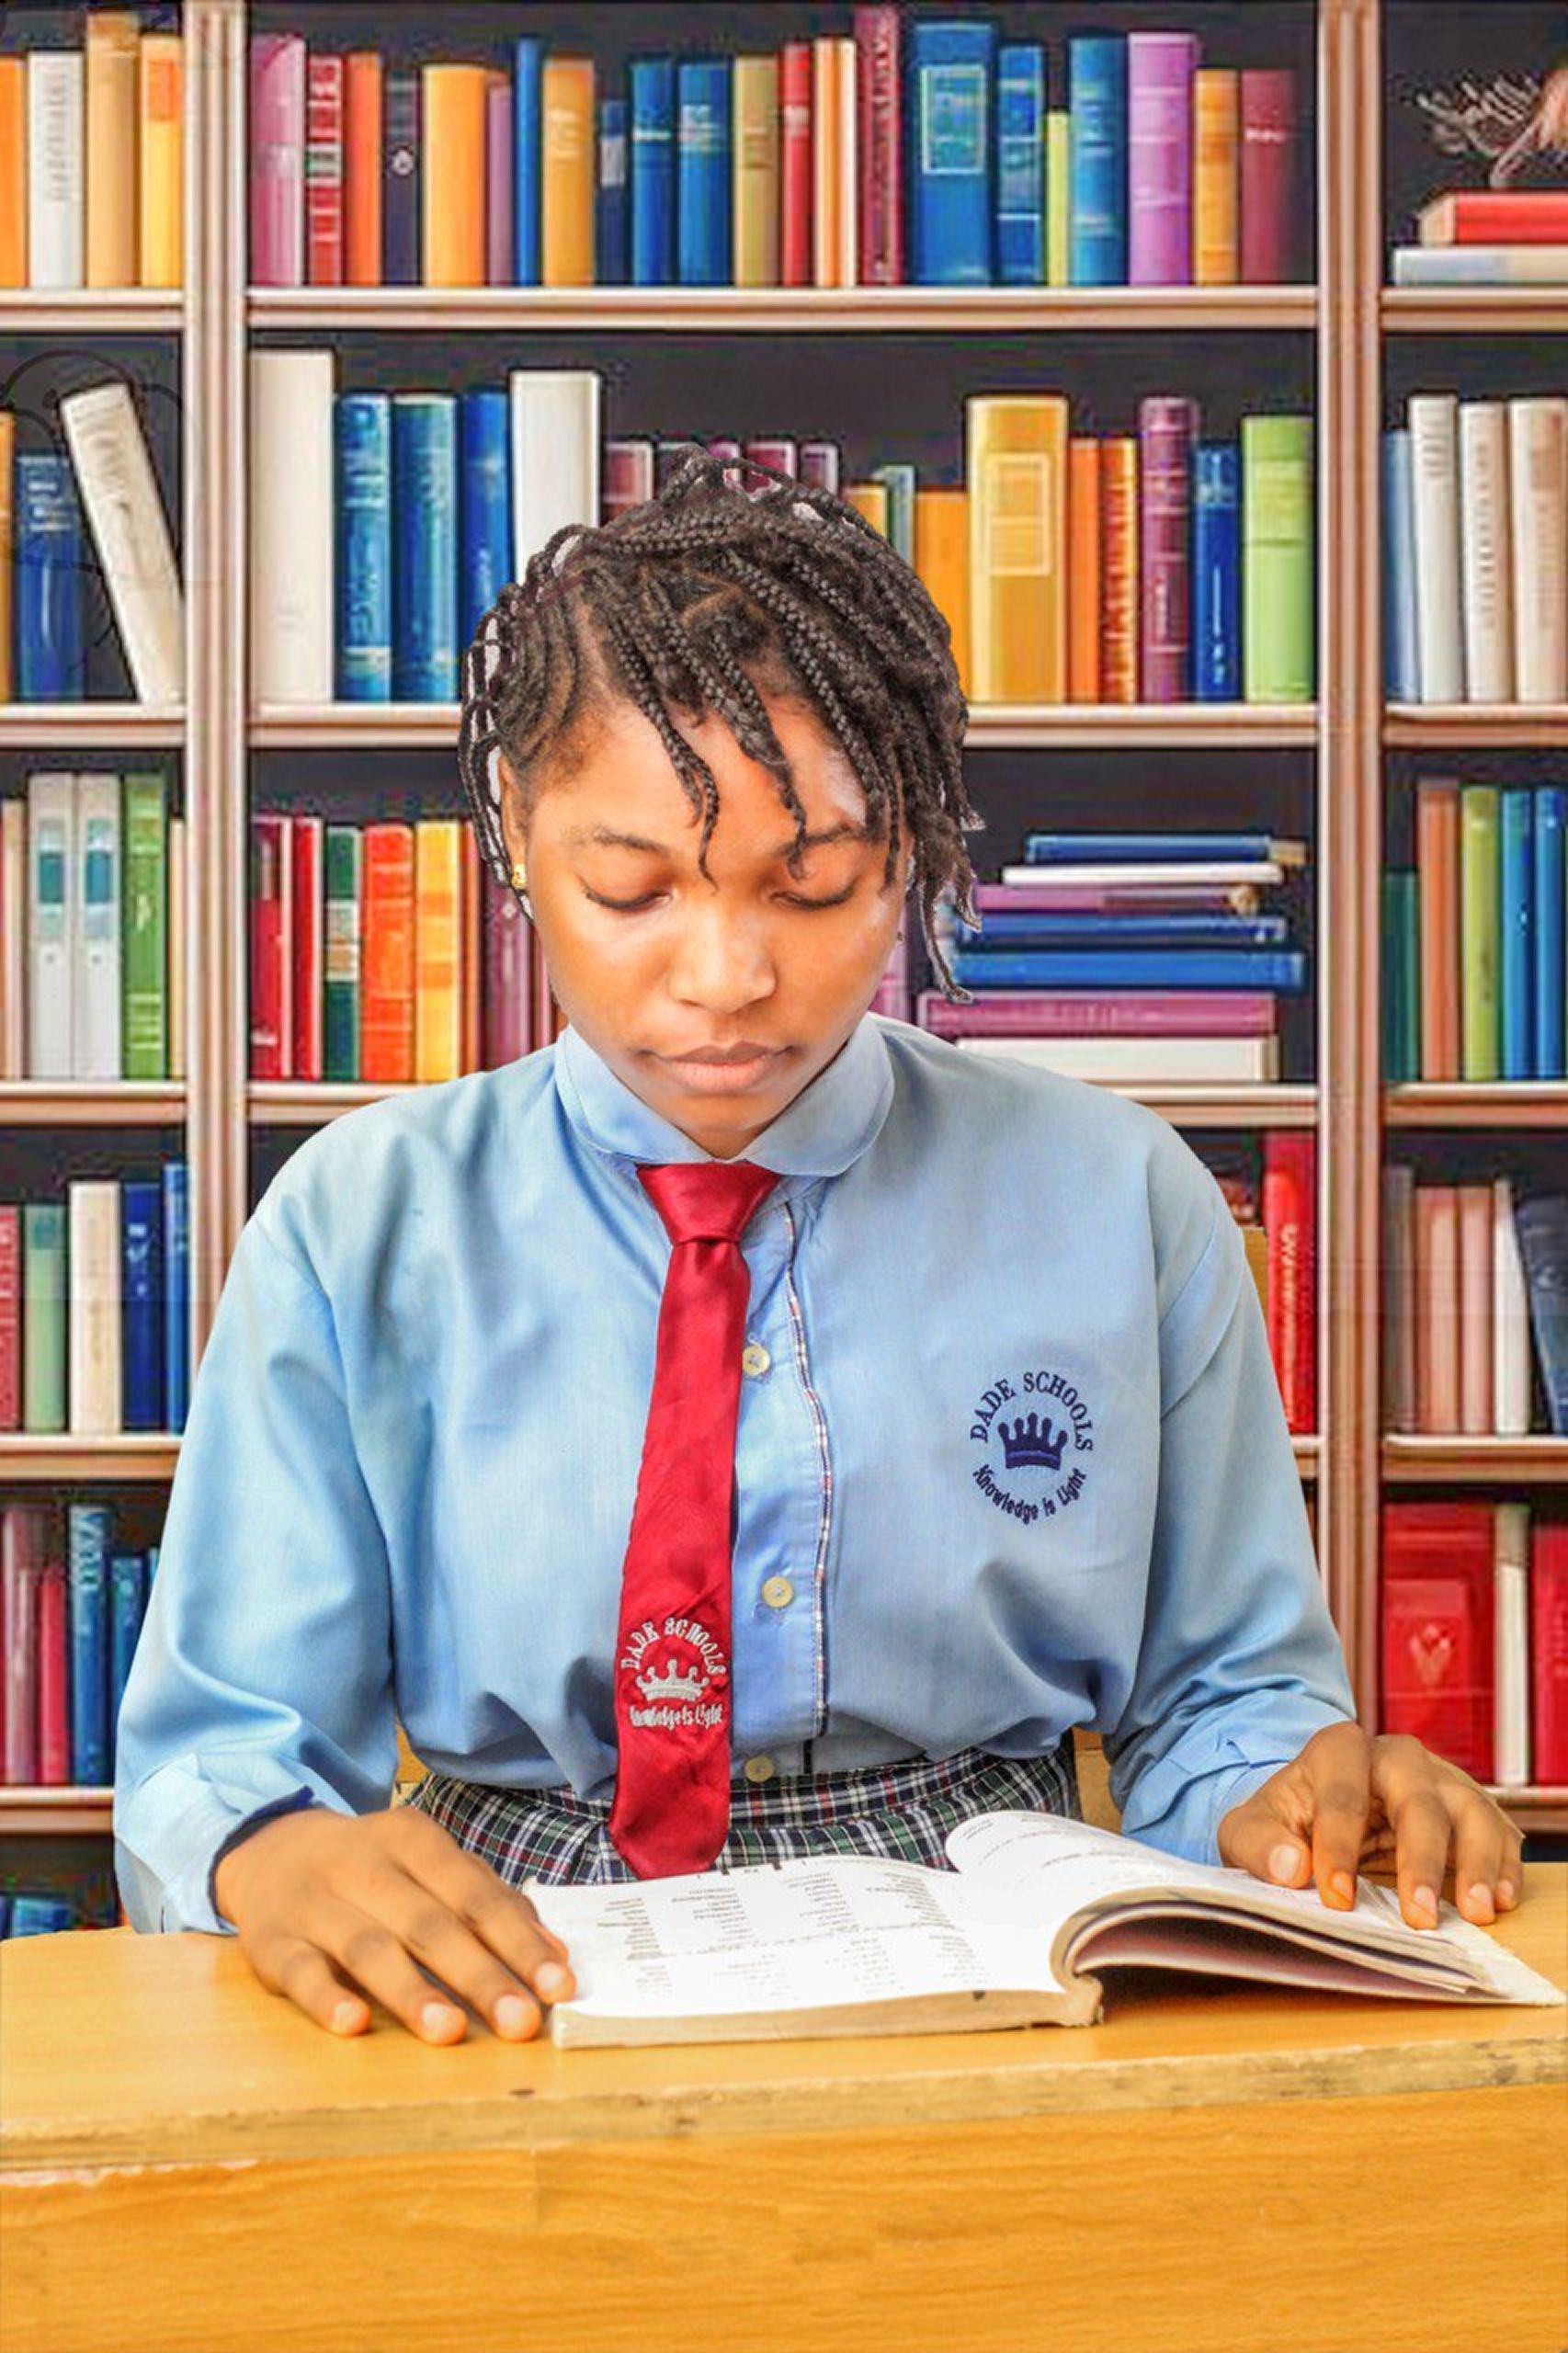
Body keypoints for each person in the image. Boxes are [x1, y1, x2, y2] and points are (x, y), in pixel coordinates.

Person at [112, 444, 1524, 2047]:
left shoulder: (1118, 1199)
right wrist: (267, 1849)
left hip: (1008, 1927)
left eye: (815, 884)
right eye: (630, 890)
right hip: (509, 1958)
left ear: (905, 841)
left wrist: (1299, 1802)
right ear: (512, 833)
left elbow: (1222, 1705)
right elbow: (222, 1749)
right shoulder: (358, 1223)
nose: (724, 978)